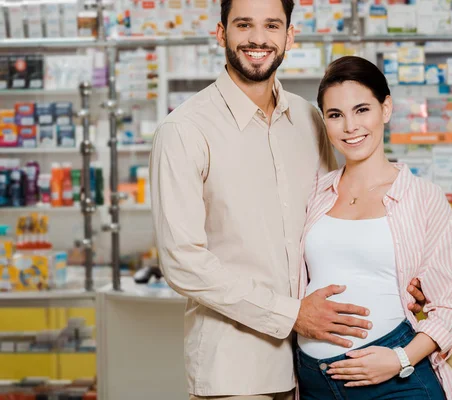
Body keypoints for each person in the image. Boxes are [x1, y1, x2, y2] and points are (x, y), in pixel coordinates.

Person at [149, 0, 428, 399]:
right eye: (243, 25)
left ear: (289, 36)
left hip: (315, 369)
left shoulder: (311, 120)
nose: (258, 39)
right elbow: (182, 262)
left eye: (272, 26)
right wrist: (293, 314)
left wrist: (401, 280)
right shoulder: (185, 131)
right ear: (221, 33)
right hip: (235, 373)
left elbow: (339, 219)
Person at [294, 56, 452, 400]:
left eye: (362, 110)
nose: (350, 126)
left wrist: (400, 359)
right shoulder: (313, 194)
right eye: (336, 115)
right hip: (315, 381)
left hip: (395, 382)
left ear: (385, 109)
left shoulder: (422, 198)